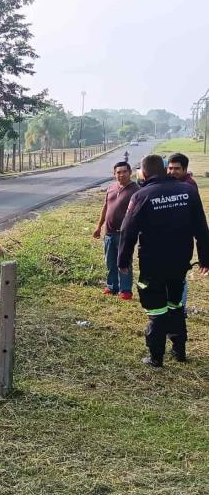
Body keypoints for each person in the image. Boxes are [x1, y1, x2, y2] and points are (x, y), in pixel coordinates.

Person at [118, 154, 209, 367]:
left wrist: (123, 260)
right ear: (165, 169)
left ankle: (156, 357)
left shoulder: (142, 195)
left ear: (144, 172)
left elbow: (127, 230)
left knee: (157, 309)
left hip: (153, 263)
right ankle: (179, 351)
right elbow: (202, 229)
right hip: (180, 262)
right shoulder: (188, 191)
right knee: (176, 305)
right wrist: (205, 258)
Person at [93, 161, 140, 299]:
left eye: (124, 171)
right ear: (114, 174)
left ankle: (125, 290)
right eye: (118, 172)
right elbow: (105, 207)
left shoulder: (136, 190)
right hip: (109, 232)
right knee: (110, 261)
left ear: (130, 172)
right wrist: (98, 226)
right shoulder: (111, 187)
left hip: (124, 234)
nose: (121, 175)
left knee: (124, 261)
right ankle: (112, 286)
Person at [167, 152, 199, 313]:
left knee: (179, 276)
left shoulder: (189, 186)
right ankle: (172, 306)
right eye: (170, 168)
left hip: (182, 239)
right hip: (168, 238)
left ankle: (180, 309)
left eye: (177, 169)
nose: (172, 172)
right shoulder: (171, 182)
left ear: (185, 169)